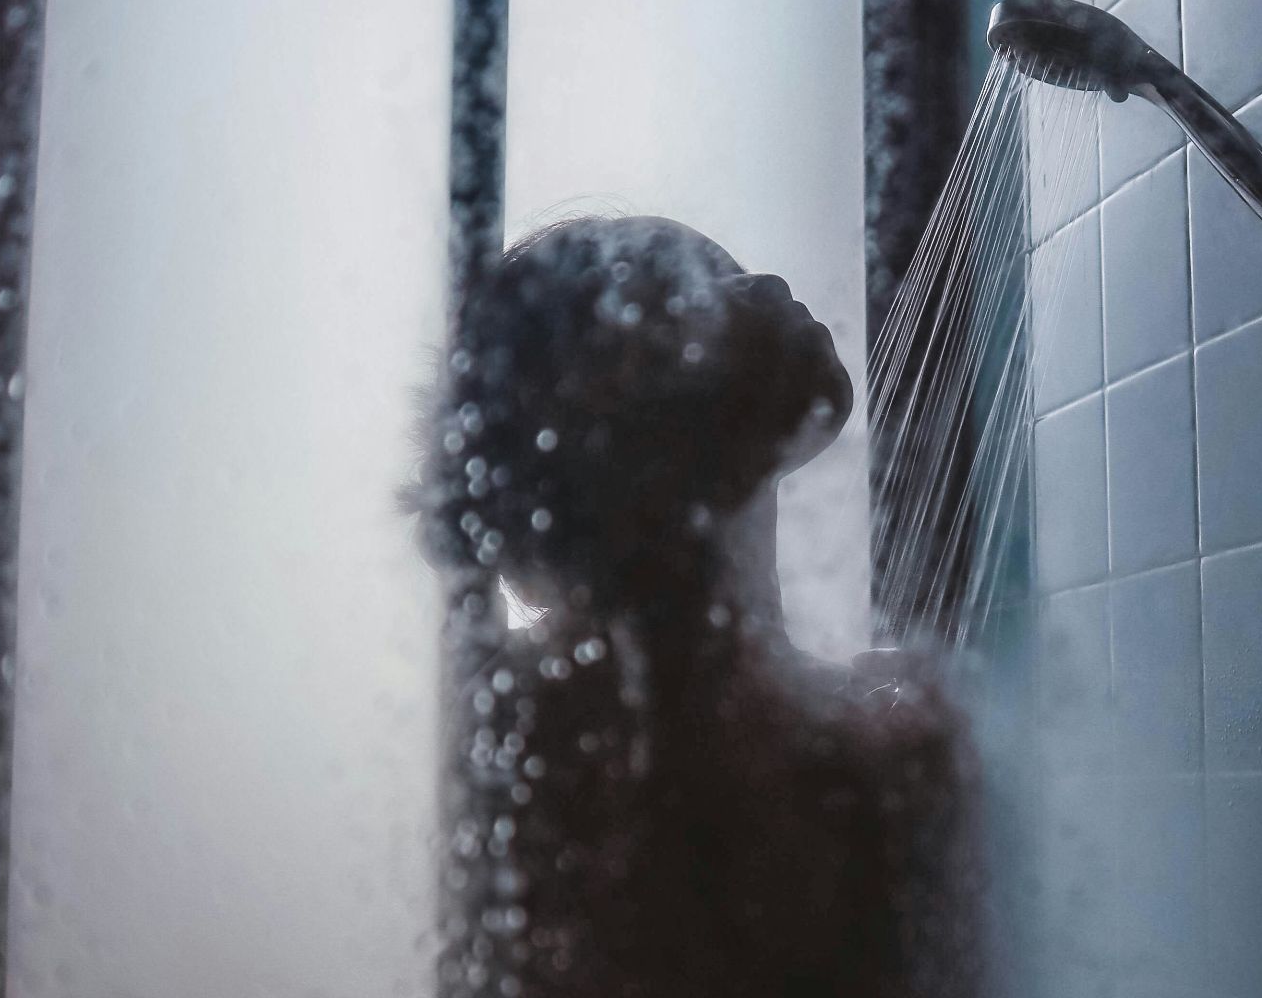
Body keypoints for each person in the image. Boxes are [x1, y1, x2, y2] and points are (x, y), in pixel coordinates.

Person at [407, 216, 981, 998]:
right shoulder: (563, 736)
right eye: (692, 287)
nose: (766, 287)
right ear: (605, 411)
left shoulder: (831, 720)